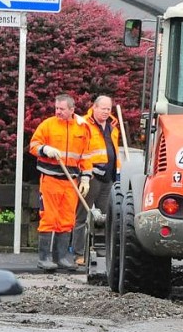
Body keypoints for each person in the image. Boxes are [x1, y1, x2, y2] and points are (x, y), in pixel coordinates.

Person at [30, 94, 92, 271]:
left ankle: (61, 257)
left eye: (62, 109)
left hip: (71, 181)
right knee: (49, 218)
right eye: (56, 108)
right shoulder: (47, 125)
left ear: (72, 110)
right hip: (50, 179)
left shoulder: (82, 129)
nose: (58, 111)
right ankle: (44, 258)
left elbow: (86, 156)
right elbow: (33, 145)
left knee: (66, 220)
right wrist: (44, 149)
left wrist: (86, 178)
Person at [71, 95, 120, 266]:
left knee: (105, 216)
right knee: (82, 215)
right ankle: (78, 252)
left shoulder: (113, 127)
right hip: (90, 176)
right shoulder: (84, 124)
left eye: (109, 109)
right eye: (103, 108)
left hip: (108, 177)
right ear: (95, 107)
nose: (106, 111)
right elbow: (82, 149)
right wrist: (85, 173)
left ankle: (102, 250)